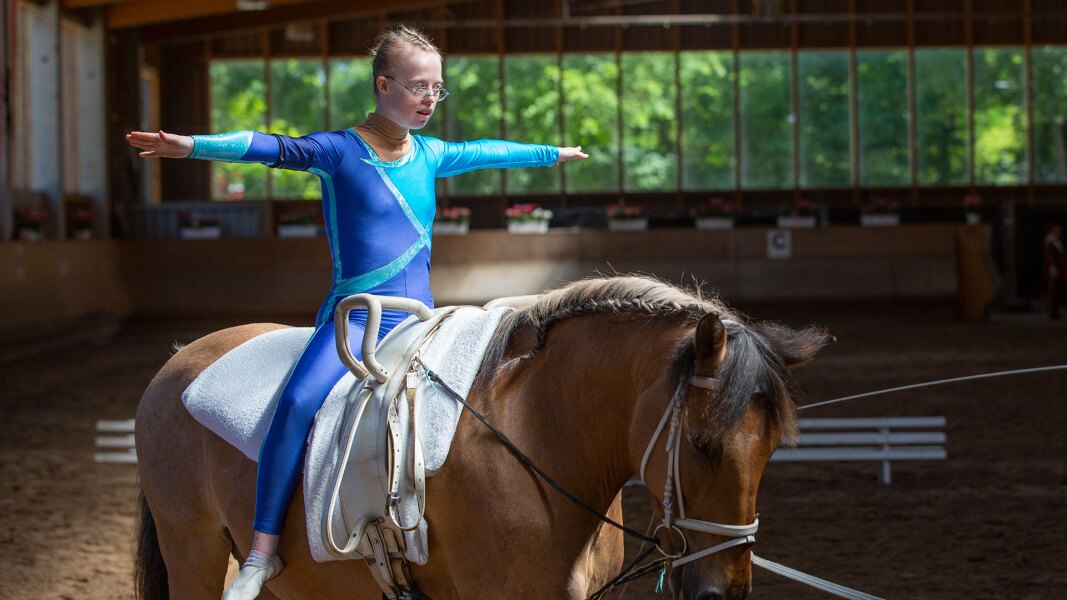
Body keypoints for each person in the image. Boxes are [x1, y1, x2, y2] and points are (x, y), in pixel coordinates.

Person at [126, 24, 587, 600]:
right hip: (356, 322)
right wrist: (192, 146)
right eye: (419, 87)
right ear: (383, 85)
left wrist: (553, 154)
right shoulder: (338, 152)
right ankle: (262, 552)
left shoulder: (430, 153)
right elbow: (268, 146)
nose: (429, 100)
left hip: (423, 320)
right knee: (296, 404)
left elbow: (488, 152)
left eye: (437, 90)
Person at [1043, 223, 1065, 320]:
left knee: (1057, 291)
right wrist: (1053, 268)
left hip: (1058, 268)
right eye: (1057, 230)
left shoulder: (1056, 241)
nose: (1059, 232)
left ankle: (1055, 312)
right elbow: (1050, 256)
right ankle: (1051, 312)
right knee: (1052, 291)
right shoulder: (1050, 241)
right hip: (1053, 269)